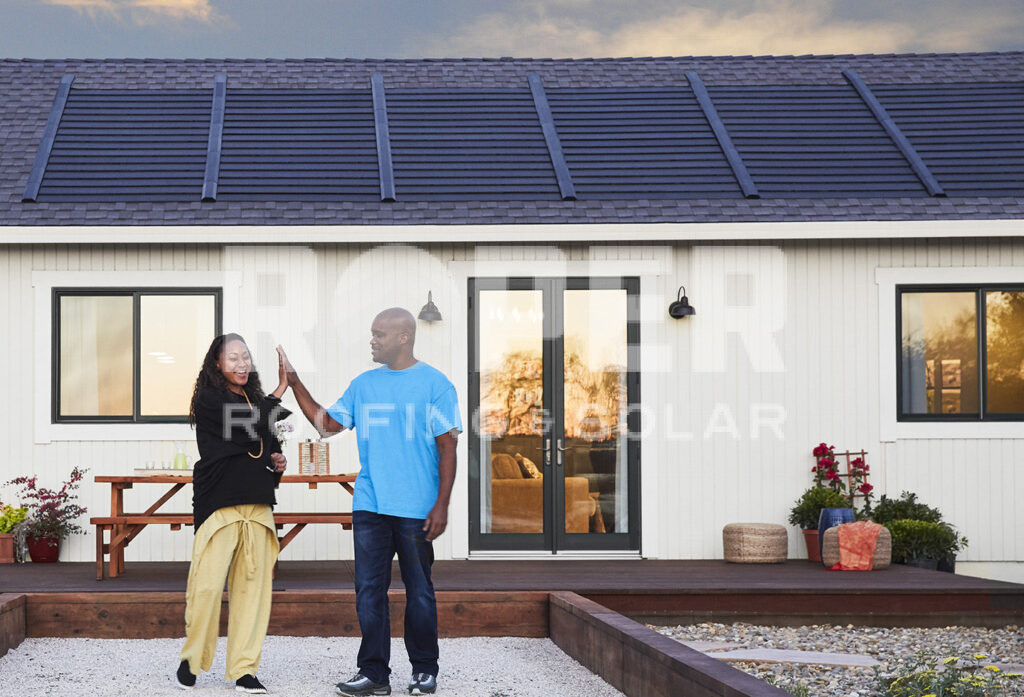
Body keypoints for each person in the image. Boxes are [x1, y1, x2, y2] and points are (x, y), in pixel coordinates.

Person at [278, 307, 461, 697]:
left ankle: (424, 670)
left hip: (416, 508)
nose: (372, 340)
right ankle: (374, 673)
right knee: (368, 591)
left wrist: (441, 504)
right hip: (371, 504)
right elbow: (327, 426)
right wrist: (294, 383)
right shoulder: (364, 385)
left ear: (403, 338)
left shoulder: (436, 385)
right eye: (372, 334)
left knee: (420, 590)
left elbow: (448, 446)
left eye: (379, 334)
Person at [176, 333, 291, 695]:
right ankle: (191, 661)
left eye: (246, 358)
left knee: (253, 591)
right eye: (233, 359)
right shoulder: (208, 398)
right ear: (217, 364)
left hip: (257, 504)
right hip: (219, 503)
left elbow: (268, 442)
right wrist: (283, 386)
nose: (242, 365)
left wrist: (278, 461)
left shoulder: (256, 401)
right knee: (207, 587)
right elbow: (243, 425)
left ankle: (244, 670)